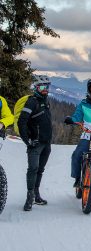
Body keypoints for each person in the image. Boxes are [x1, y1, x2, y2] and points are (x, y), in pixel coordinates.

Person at [18, 75, 52, 211]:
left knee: (40, 170)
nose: (45, 90)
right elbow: (22, 122)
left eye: (47, 87)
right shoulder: (32, 102)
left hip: (46, 143)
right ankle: (29, 198)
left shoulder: (45, 100)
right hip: (35, 143)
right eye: (43, 87)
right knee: (33, 169)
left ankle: (36, 195)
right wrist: (28, 140)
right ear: (36, 88)